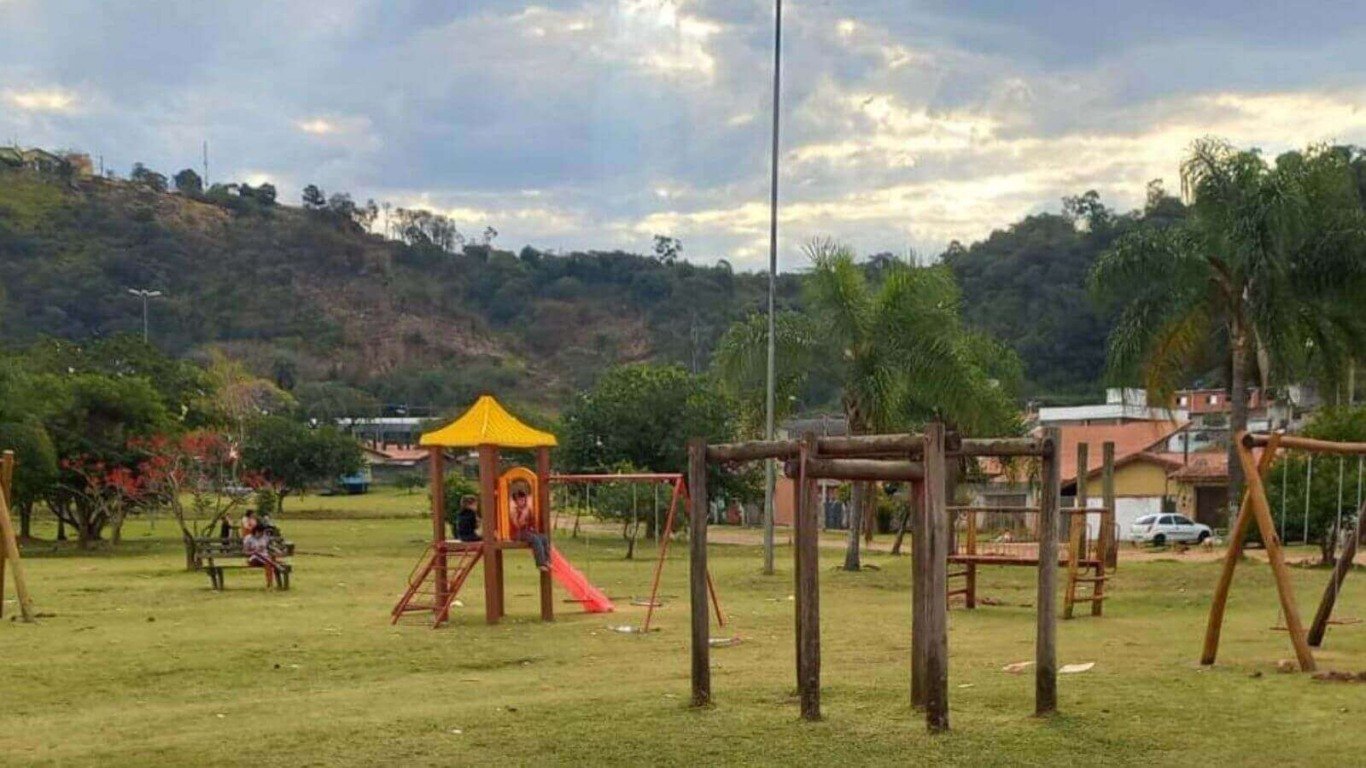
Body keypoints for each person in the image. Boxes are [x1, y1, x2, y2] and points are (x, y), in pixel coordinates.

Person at [510, 489, 550, 572]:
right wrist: (523, 515)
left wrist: (533, 526)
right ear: (516, 502)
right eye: (520, 500)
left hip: (528, 532)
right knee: (535, 539)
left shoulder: (527, 509)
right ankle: (540, 564)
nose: (523, 502)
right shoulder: (514, 511)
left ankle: (546, 560)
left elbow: (532, 522)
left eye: (524, 500)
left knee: (544, 538)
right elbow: (518, 525)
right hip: (518, 533)